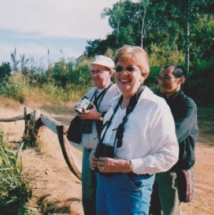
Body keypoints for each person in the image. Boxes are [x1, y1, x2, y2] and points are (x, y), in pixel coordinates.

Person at [89, 45, 179, 215]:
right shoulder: (115, 102)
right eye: (119, 68)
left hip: (131, 187)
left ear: (143, 74)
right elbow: (108, 138)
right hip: (104, 184)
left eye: (130, 68)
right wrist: (95, 153)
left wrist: (127, 166)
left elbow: (169, 155)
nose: (123, 74)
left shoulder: (155, 106)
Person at [149, 65, 198, 215]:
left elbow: (174, 135)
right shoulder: (159, 103)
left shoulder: (187, 105)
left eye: (166, 77)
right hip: (154, 166)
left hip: (172, 170)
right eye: (159, 78)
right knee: (152, 210)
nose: (162, 81)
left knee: (171, 211)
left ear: (180, 80)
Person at [75, 55, 120, 215]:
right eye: (92, 72)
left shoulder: (117, 93)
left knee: (105, 195)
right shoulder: (91, 92)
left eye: (98, 71)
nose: (94, 75)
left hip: (106, 154)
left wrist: (98, 116)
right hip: (88, 152)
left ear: (111, 72)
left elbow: (120, 121)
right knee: (88, 194)